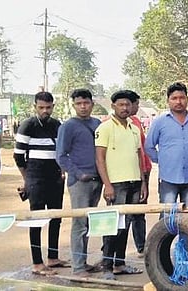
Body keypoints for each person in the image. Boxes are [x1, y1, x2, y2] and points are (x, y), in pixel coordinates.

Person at [145, 82, 188, 265]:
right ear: (168, 101)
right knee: (167, 218)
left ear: (187, 99)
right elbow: (149, 146)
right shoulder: (160, 122)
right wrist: (162, 161)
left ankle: (183, 256)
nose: (178, 101)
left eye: (181, 98)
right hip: (168, 179)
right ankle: (161, 257)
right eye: (174, 98)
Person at [95, 90, 147, 280]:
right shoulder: (105, 128)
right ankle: (107, 267)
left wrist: (143, 183)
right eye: (121, 105)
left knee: (126, 225)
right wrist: (107, 185)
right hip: (116, 184)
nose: (125, 108)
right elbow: (100, 158)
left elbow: (139, 157)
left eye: (127, 104)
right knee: (113, 226)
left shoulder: (134, 128)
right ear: (113, 106)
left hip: (134, 182)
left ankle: (120, 264)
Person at [14, 91, 67, 276]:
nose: (45, 111)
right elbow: (18, 156)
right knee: (36, 221)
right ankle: (37, 263)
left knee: (55, 217)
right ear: (35, 106)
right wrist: (27, 179)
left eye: (48, 107)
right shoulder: (28, 125)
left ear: (53, 106)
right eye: (41, 107)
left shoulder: (57, 125)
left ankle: (53, 257)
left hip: (55, 177)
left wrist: (61, 171)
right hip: (35, 177)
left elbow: (61, 151)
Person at [56, 89, 103, 277]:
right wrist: (77, 173)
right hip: (79, 182)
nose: (83, 106)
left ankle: (83, 261)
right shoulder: (68, 126)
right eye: (79, 103)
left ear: (92, 104)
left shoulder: (97, 124)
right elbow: (61, 156)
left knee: (89, 223)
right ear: (74, 105)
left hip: (97, 180)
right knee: (79, 224)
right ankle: (77, 267)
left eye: (86, 103)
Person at [128, 91, 152, 259]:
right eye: (136, 104)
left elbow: (143, 148)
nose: (137, 107)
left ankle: (141, 246)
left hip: (143, 171)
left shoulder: (136, 122)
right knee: (122, 213)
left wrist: (146, 169)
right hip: (125, 175)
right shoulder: (110, 123)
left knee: (139, 212)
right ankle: (110, 251)